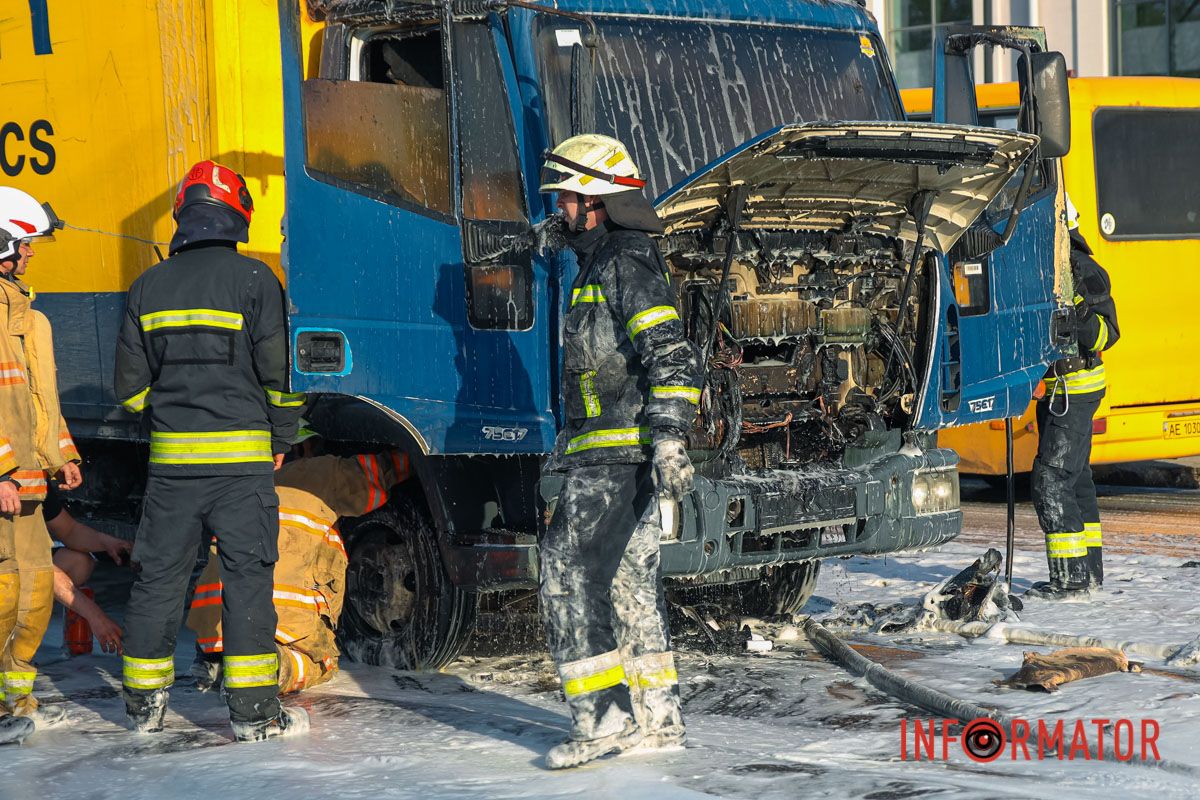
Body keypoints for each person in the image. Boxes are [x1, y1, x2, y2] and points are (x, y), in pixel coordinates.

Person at [114, 160, 307, 741]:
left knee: (159, 580)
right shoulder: (256, 281)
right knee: (246, 580)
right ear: (238, 215)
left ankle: (144, 708)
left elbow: (130, 392)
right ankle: (254, 716)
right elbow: (281, 379)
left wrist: (172, 417)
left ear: (183, 215)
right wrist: (280, 437)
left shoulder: (147, 286)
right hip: (242, 469)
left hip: (172, 472)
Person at [536, 135, 703, 769]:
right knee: (631, 586)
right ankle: (659, 719)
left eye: (565, 198)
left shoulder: (624, 260)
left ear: (595, 200)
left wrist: (669, 438)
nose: (558, 208)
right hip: (614, 452)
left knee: (566, 574)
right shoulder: (601, 257)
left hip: (618, 453)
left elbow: (672, 355)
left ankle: (603, 720)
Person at [187, 450, 410, 694]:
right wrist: (414, 459)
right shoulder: (322, 473)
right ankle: (270, 667)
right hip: (283, 617)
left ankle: (213, 659)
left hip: (214, 620)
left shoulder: (241, 474)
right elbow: (372, 476)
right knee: (322, 663)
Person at [0, 187, 81, 739]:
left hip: (28, 486)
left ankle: (16, 702)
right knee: (3, 594)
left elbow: (40, 400)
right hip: (6, 483)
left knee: (29, 597)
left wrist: (63, 453)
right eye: (24, 243)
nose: (30, 253)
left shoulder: (31, 320)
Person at [1029, 196, 1119, 598]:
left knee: (1051, 480)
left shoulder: (1083, 270)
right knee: (1077, 479)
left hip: (1077, 388)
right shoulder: (1045, 269)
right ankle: (1088, 573)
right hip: (1055, 390)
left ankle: (1070, 580)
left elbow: (1107, 334)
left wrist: (1077, 316)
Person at [43, 482, 131, 654]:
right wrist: (94, 616)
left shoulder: (32, 481)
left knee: (79, 562)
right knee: (31, 573)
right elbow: (33, 566)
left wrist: (107, 542)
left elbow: (69, 531)